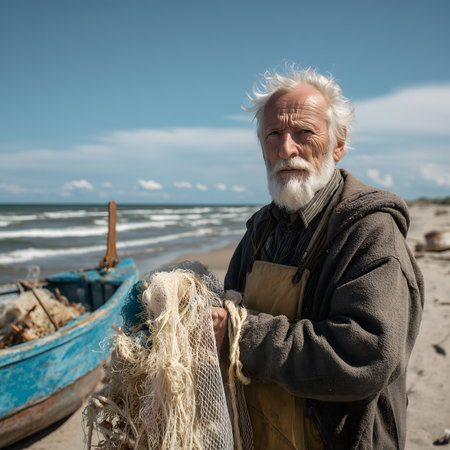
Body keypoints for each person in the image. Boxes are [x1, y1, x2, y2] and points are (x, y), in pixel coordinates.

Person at [212, 68, 424, 449]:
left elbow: (365, 353)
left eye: (303, 133)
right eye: (273, 134)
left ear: (337, 144)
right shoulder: (261, 230)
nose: (286, 149)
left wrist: (238, 334)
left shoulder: (369, 231)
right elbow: (226, 307)